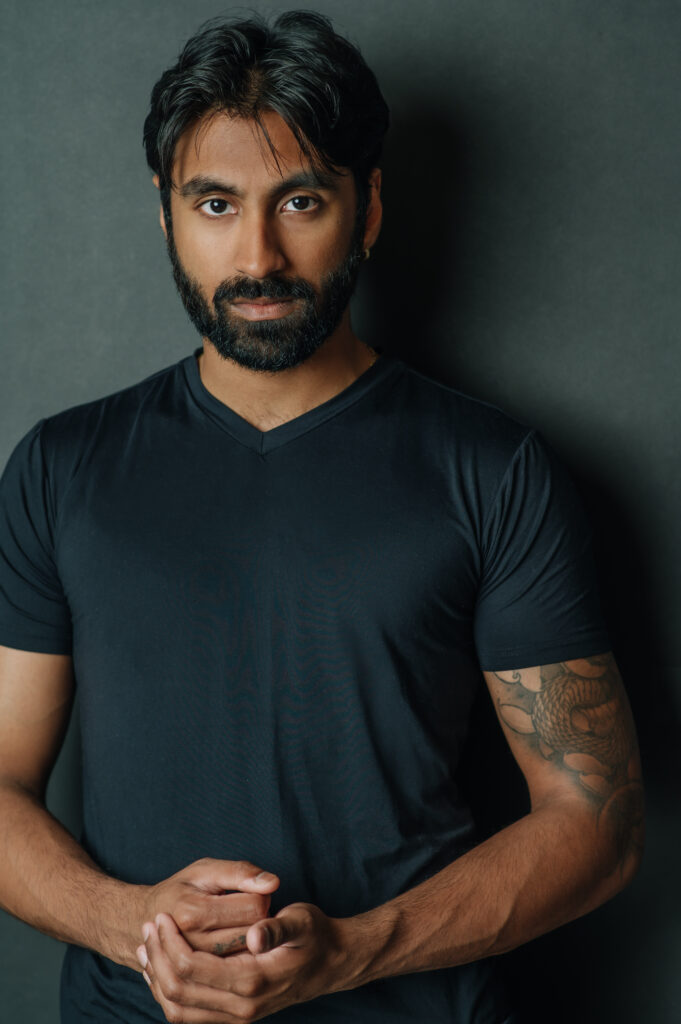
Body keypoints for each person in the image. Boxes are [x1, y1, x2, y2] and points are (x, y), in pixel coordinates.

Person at [0, 10, 644, 1024]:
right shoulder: (61, 470)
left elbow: (597, 818)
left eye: (301, 200)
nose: (258, 255)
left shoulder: (494, 470)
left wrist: (350, 952)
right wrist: (130, 923)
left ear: (370, 207)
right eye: (215, 203)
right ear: (164, 214)